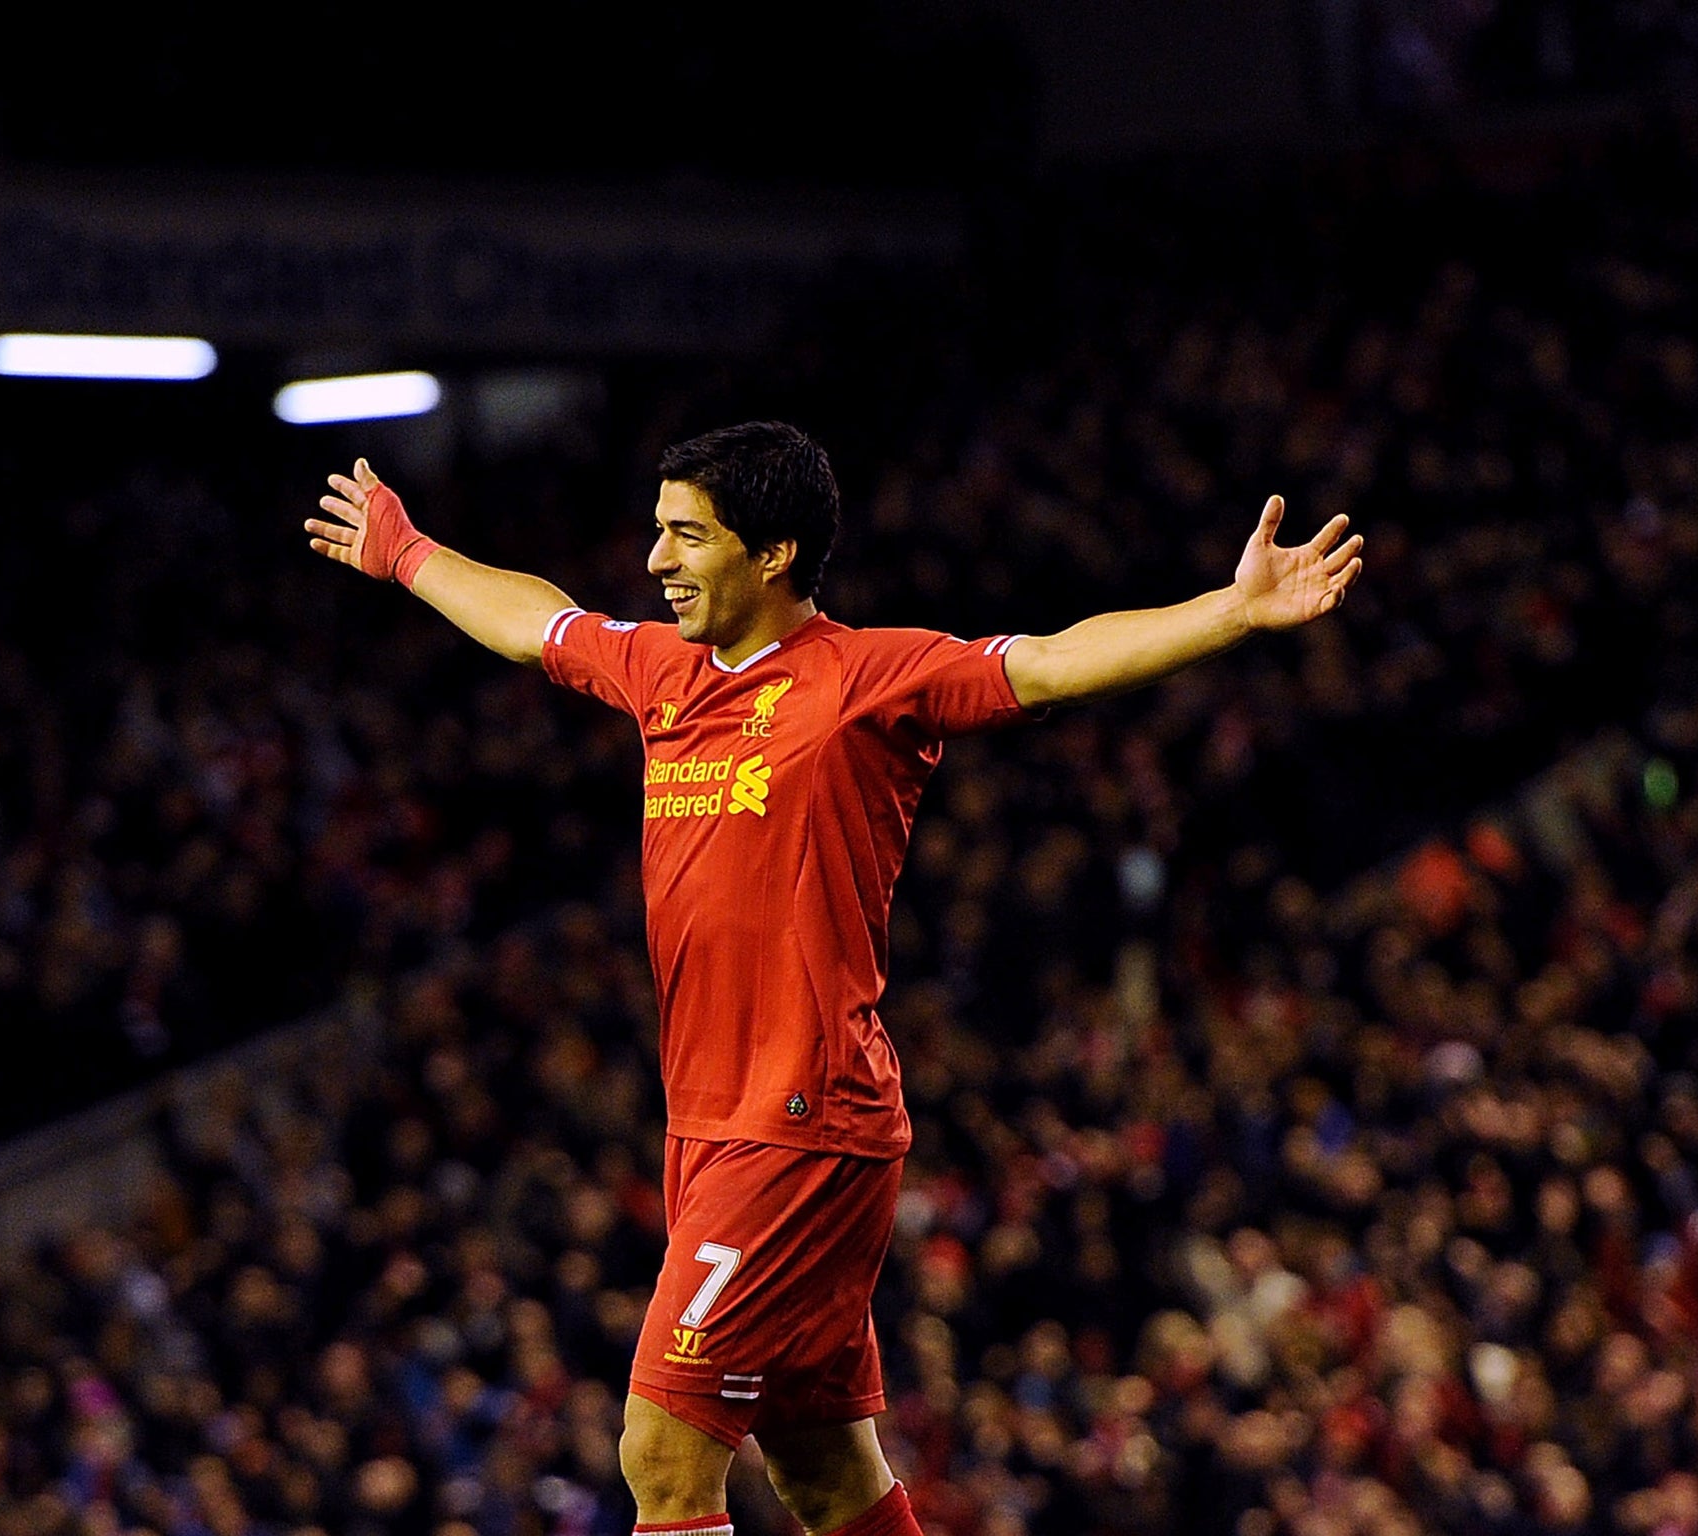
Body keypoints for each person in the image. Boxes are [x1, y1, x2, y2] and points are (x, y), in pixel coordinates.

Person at [304, 421, 1363, 1536]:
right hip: (710, 1123)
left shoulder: (866, 679)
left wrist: (1230, 611)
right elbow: (536, 624)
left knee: (660, 1452)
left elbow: (1046, 662)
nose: (656, 560)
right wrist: (407, 550)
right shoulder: (663, 673)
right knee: (819, 1470)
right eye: (656, 532)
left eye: (684, 536)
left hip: (798, 1119)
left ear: (770, 554)